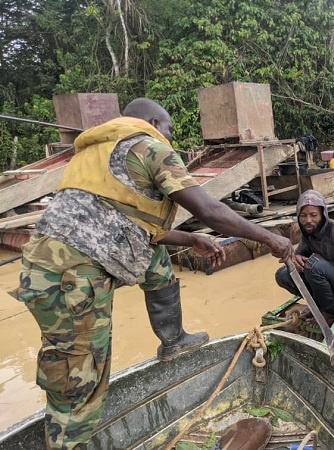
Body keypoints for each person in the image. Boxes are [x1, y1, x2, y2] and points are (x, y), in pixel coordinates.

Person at [14, 98, 294, 450]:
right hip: (72, 276)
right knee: (78, 383)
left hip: (54, 265)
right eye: (170, 129)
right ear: (152, 121)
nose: (171, 138)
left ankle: (173, 341)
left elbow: (133, 225)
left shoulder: (94, 154)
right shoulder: (148, 145)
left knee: (156, 259)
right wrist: (272, 239)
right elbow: (209, 209)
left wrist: (191, 238)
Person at [275, 190, 334, 325]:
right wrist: (296, 258)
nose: (308, 220)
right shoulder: (308, 232)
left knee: (314, 266)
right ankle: (316, 305)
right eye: (303, 216)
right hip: (325, 284)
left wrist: (326, 265)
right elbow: (299, 254)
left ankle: (330, 312)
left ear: (323, 214)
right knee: (283, 274)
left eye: (313, 215)